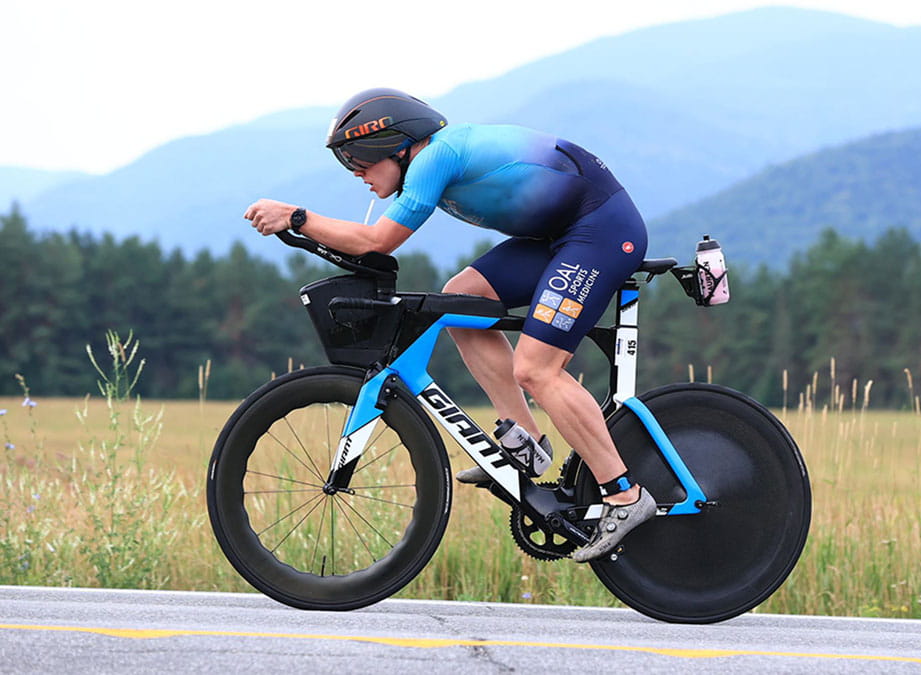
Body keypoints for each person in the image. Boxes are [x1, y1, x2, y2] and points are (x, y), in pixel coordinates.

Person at [244, 87, 654, 562]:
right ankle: (525, 443)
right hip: (563, 235)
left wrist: (297, 216)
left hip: (601, 230)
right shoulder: (430, 160)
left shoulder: (434, 158)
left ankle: (624, 496)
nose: (355, 172)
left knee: (537, 369)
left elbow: (378, 241)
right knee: (465, 299)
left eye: (358, 159)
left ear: (394, 145)